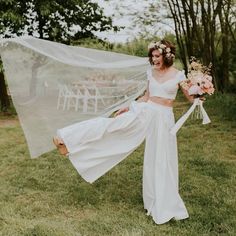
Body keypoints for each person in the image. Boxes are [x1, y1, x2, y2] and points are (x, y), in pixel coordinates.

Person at [53, 39, 193, 224]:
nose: (154, 59)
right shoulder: (150, 73)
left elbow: (191, 98)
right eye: (152, 56)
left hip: (164, 119)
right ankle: (66, 138)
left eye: (157, 56)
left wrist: (201, 90)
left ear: (167, 56)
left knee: (161, 159)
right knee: (114, 127)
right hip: (145, 112)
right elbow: (147, 96)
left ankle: (161, 201)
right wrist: (129, 105)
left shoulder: (178, 75)